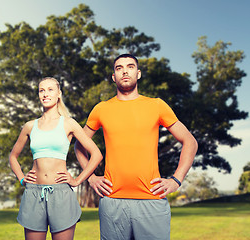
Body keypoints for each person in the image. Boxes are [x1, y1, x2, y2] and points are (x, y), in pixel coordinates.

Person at [74, 54, 198, 240]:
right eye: (119, 68)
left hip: (152, 201)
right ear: (113, 77)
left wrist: (176, 180)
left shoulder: (156, 105)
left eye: (130, 66)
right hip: (112, 202)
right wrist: (90, 178)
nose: (125, 71)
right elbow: (79, 145)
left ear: (138, 73)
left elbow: (190, 141)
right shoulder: (101, 109)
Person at [9, 77, 103, 240]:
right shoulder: (30, 126)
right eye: (41, 90)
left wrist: (77, 180)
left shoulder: (69, 123)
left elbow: (96, 154)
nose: (45, 94)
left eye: (50, 89)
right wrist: (22, 179)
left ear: (59, 93)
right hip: (33, 193)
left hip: (61, 194)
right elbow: (13, 156)